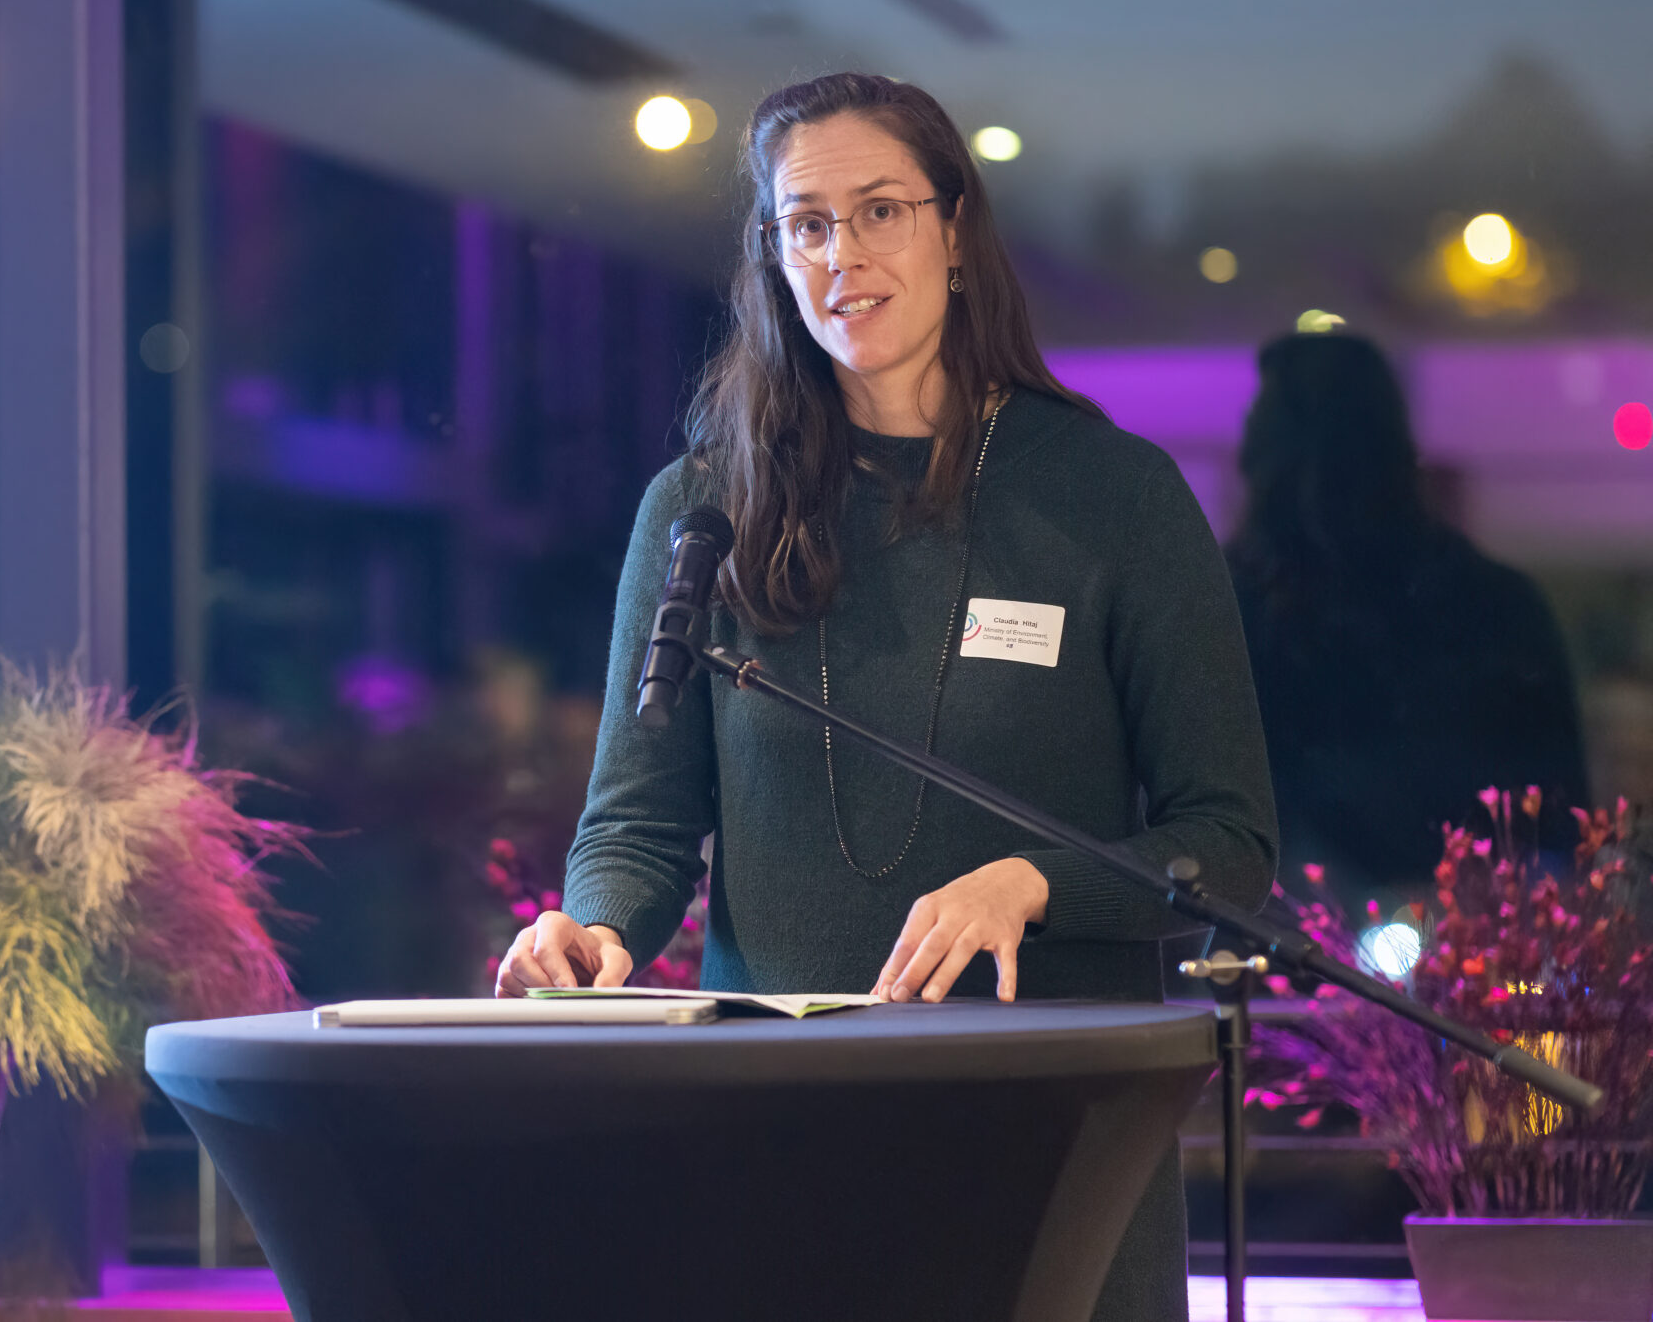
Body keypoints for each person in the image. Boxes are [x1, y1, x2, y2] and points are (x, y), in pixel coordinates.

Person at [494, 72, 1277, 1322]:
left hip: (1053, 1144)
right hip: (784, 1139)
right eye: (805, 223)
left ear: (954, 230)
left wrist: (1033, 883)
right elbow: (638, 821)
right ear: (772, 255)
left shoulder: (1113, 497)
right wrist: (595, 932)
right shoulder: (700, 510)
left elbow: (1228, 847)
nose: (840, 256)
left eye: (878, 211)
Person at [1228, 331, 1584, 891]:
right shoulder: (1497, 601)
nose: (1244, 452)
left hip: (1298, 918)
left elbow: (1555, 807)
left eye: (1257, 430)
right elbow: (1558, 811)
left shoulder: (1234, 608)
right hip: (1459, 919)